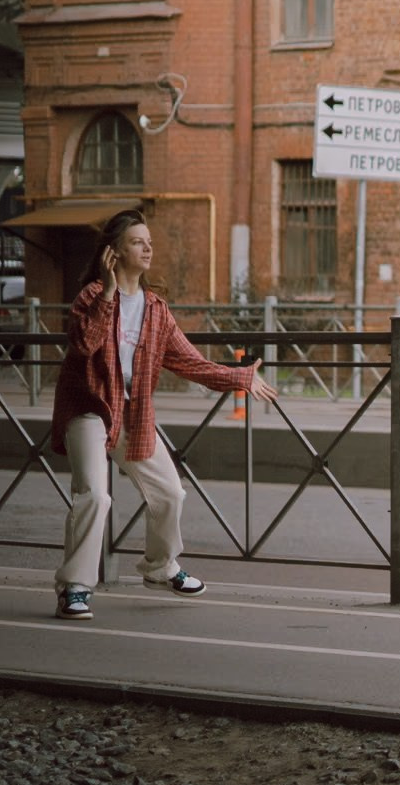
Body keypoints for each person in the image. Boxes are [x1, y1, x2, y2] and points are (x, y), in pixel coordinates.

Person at [48, 210, 276, 620]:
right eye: (137, 242)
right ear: (113, 254)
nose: (148, 247)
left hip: (132, 414)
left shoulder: (155, 310)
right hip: (89, 408)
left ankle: (159, 567)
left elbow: (191, 363)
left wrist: (238, 376)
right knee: (95, 496)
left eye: (148, 240)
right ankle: (75, 587)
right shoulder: (90, 297)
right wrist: (108, 292)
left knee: (170, 493)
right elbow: (84, 346)